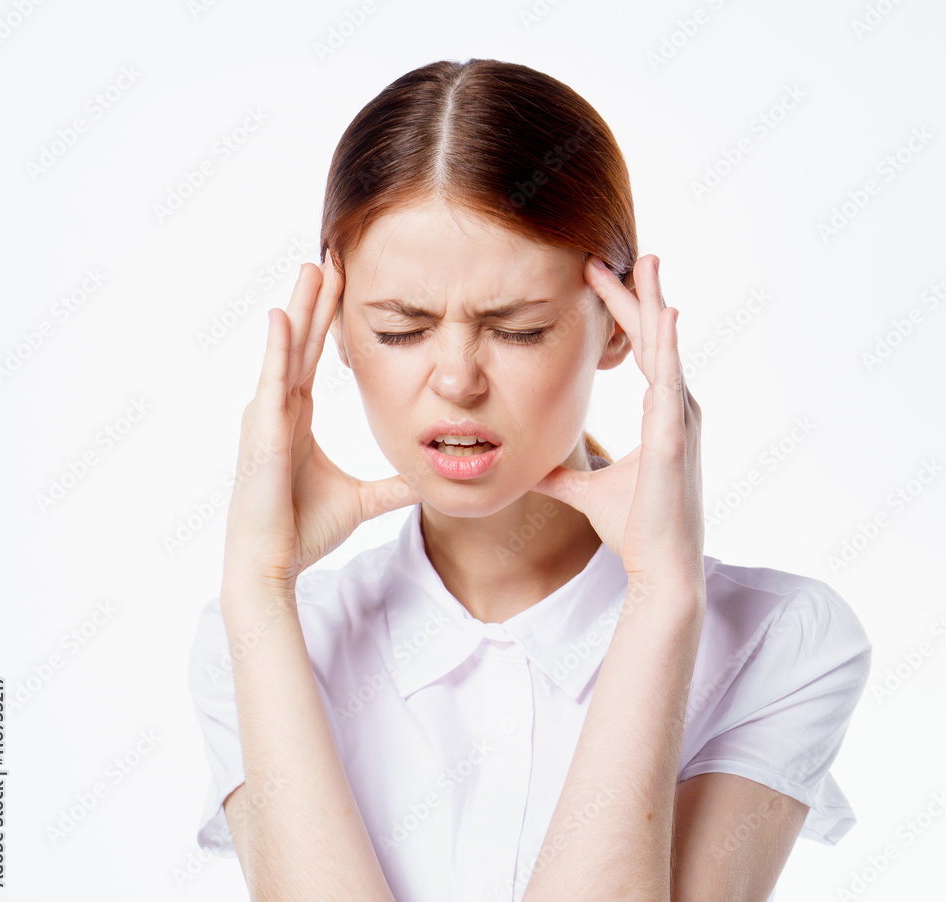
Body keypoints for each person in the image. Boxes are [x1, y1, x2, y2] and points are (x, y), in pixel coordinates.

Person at [187, 58, 872, 901]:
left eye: (516, 329)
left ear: (619, 326)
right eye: (400, 330)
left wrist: (662, 597)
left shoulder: (783, 643)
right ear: (335, 330)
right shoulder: (260, 641)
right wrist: (258, 589)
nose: (456, 381)